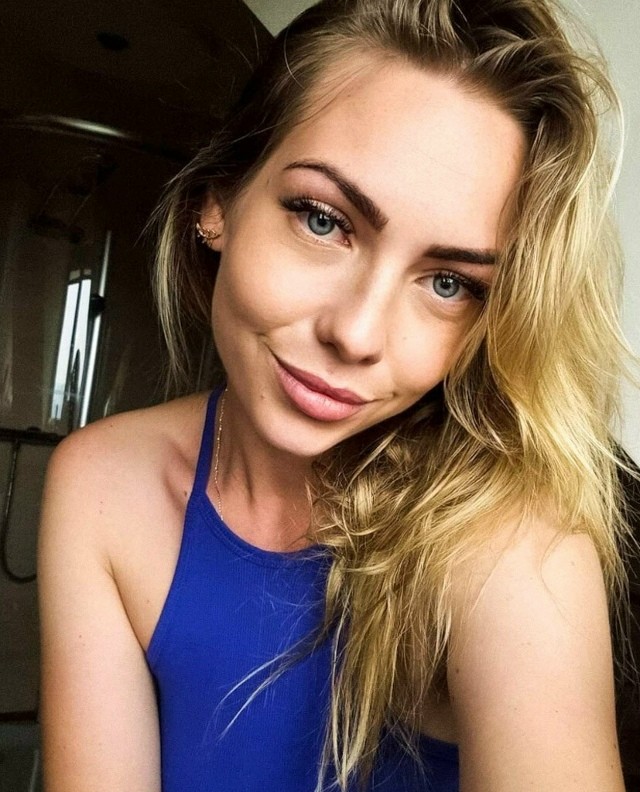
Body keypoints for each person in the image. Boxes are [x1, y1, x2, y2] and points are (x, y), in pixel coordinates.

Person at [37, 0, 636, 790]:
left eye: (449, 283)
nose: (356, 333)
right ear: (218, 201)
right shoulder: (102, 485)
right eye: (323, 220)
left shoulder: (511, 546)